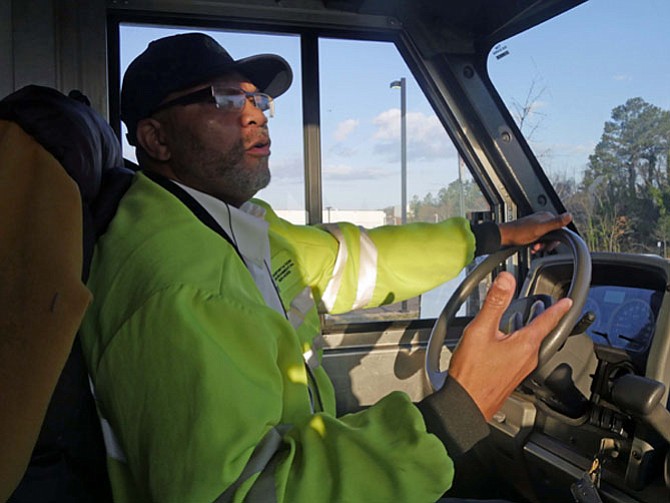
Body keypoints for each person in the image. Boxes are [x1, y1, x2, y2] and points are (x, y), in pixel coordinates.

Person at [79, 32, 573, 502]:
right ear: (156, 139)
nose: (256, 116)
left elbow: (352, 261)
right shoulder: (178, 284)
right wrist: (454, 416)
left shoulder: (229, 222)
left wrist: (493, 237)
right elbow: (244, 494)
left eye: (258, 101)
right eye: (226, 99)